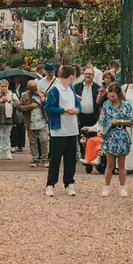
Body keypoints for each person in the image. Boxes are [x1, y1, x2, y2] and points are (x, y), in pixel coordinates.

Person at [45, 65, 80, 196]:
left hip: (72, 129)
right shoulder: (54, 90)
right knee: (55, 158)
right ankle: (50, 184)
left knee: (70, 158)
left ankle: (69, 183)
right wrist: (63, 110)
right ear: (71, 77)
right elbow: (48, 107)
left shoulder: (71, 88)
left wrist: (77, 109)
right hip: (58, 130)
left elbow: (77, 103)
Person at [99, 83, 133, 198]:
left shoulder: (126, 105)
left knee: (122, 164)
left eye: (113, 96)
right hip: (110, 135)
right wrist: (100, 129)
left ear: (118, 94)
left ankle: (122, 187)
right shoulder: (106, 105)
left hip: (122, 135)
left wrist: (120, 121)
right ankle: (106, 187)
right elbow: (102, 120)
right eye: (109, 95)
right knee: (109, 164)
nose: (111, 98)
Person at [26, 79, 50, 166]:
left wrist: (44, 100)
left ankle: (45, 159)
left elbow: (50, 104)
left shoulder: (42, 94)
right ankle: (35, 159)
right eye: (32, 89)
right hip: (30, 121)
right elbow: (19, 107)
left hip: (42, 121)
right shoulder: (24, 96)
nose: (34, 90)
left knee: (44, 140)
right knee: (32, 142)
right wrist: (30, 106)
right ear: (28, 89)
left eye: (35, 88)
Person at [0, 80, 17, 160]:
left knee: (7, 136)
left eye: (5, 86)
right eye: (2, 86)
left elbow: (17, 104)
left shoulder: (12, 94)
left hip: (9, 118)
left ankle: (7, 152)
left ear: (8, 87)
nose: (4, 88)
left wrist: (9, 100)